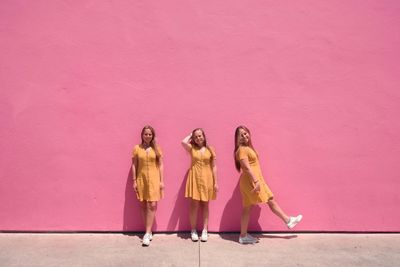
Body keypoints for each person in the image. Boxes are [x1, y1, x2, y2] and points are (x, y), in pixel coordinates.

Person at [234, 126, 302, 244]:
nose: (245, 136)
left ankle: (243, 235)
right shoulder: (242, 150)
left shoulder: (247, 148)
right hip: (252, 181)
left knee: (250, 207)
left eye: (246, 133)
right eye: (242, 135)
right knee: (267, 200)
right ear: (238, 138)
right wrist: (255, 181)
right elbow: (246, 167)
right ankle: (287, 220)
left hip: (255, 180)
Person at [182, 128, 218, 242]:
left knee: (205, 205)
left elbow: (214, 166)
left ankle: (204, 230)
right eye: (196, 137)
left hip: (207, 179)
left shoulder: (210, 149)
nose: (198, 138)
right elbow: (183, 142)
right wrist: (190, 135)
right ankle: (193, 230)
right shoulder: (192, 148)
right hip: (195, 178)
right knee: (194, 205)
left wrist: (216, 182)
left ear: (204, 136)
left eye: (200, 136)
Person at [131, 125, 164, 246]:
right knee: (144, 204)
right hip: (141, 179)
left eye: (150, 134)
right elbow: (134, 165)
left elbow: (161, 165)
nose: (148, 136)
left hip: (154, 179)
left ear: (153, 136)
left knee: (152, 204)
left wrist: (161, 180)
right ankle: (148, 230)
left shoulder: (157, 148)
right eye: (146, 134)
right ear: (142, 135)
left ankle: (147, 233)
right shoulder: (137, 148)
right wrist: (134, 180)